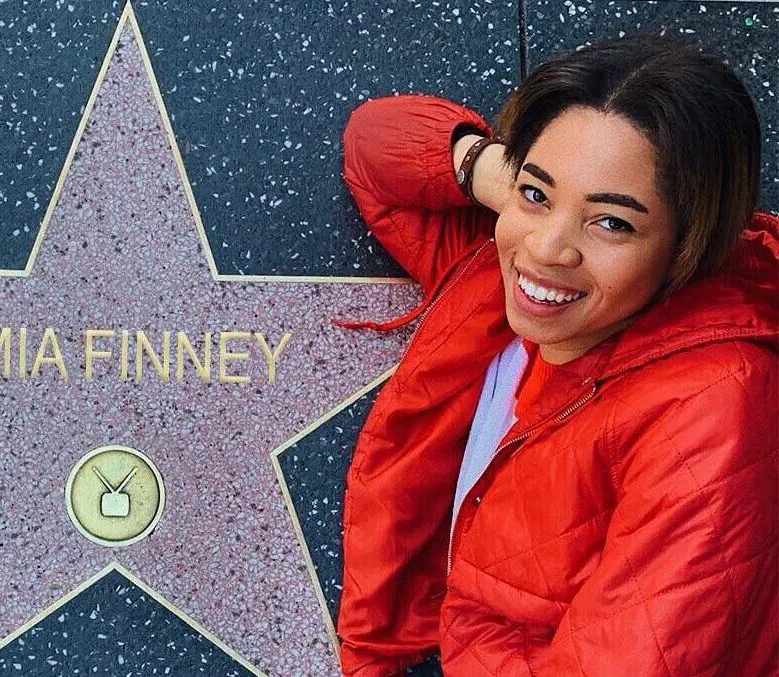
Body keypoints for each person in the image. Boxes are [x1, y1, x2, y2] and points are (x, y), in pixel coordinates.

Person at [331, 32, 777, 676]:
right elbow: (373, 144)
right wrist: (511, 181)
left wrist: (545, 195)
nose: (547, 249)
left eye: (612, 222)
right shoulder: (497, 282)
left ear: (688, 245)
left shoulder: (714, 405)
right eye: (537, 194)